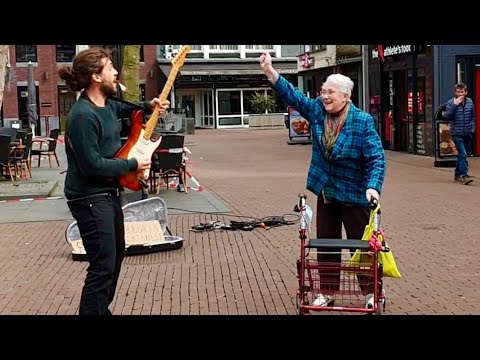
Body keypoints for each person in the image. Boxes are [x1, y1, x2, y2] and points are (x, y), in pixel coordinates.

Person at [259, 52, 386, 308]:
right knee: (327, 244)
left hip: (354, 193)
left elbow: (376, 158)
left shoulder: (362, 122)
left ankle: (371, 293)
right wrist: (270, 72)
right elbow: (293, 96)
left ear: (345, 96)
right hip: (326, 191)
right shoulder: (317, 110)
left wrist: (373, 186)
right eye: (323, 92)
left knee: (360, 248)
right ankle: (327, 291)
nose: (324, 96)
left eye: (330, 92)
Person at [58, 47, 170, 315]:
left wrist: (148, 106)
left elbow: (122, 109)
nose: (116, 72)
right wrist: (131, 164)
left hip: (107, 195)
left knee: (114, 259)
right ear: (96, 77)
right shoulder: (83, 116)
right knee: (102, 266)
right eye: (109, 68)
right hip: (89, 198)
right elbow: (92, 165)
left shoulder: (106, 104)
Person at [445, 82, 475, 184]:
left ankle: (457, 174)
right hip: (456, 133)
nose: (460, 94)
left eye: (462, 92)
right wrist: (455, 104)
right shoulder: (450, 102)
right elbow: (447, 116)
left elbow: (472, 116)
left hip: (467, 132)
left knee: (462, 155)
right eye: (458, 92)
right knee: (463, 154)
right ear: (455, 92)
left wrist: (472, 129)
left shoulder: (470, 102)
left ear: (466, 92)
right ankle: (463, 175)